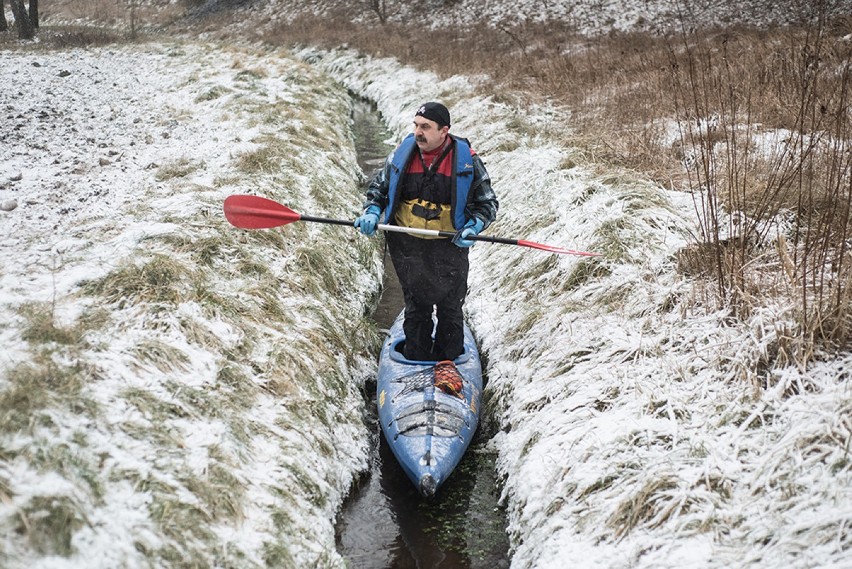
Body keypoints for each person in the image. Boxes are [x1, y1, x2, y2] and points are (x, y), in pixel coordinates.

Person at [354, 102, 498, 361]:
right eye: (416, 126)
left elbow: (487, 203)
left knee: (450, 308)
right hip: (407, 245)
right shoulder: (401, 155)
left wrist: (475, 225)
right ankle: (415, 357)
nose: (418, 132)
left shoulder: (467, 162)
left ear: (444, 131)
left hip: (449, 246)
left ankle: (448, 363)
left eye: (426, 127)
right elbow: (378, 190)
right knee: (417, 306)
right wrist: (372, 212)